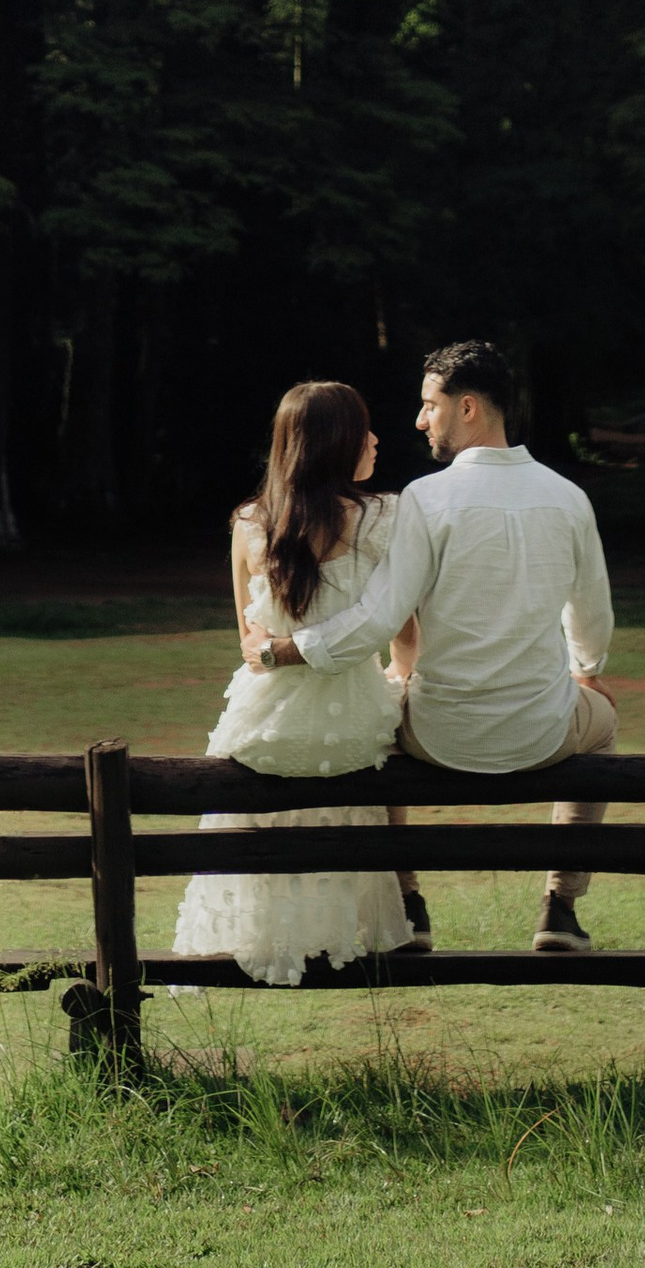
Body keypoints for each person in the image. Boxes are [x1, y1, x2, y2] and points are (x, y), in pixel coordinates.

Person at [245, 336, 615, 952]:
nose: (420, 421)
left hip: (438, 734)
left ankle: (409, 903)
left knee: (376, 716)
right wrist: (588, 670)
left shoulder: (426, 497)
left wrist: (284, 650)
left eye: (429, 405)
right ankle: (560, 907)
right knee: (602, 724)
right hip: (542, 732)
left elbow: (378, 618)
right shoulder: (569, 497)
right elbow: (592, 613)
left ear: (467, 407)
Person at [171, 379, 417, 986]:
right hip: (352, 737)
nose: (376, 440)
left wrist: (284, 650)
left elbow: (251, 644)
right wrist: (396, 680)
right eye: (364, 430)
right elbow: (406, 634)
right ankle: (406, 898)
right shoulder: (382, 517)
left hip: (264, 734)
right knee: (389, 739)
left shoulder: (249, 523)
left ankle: (259, 931)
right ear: (338, 443)